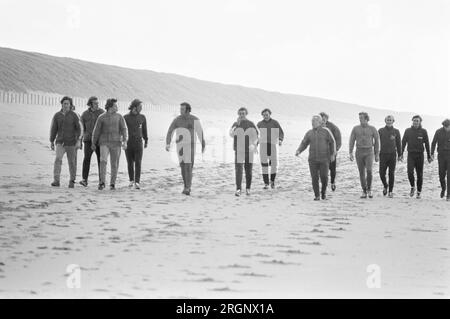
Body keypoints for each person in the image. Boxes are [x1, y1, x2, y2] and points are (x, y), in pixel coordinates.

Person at [166, 102, 205, 195]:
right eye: (180, 109)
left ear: (187, 110)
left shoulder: (195, 119)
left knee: (188, 166)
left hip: (190, 145)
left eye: (182, 109)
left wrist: (203, 144)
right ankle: (186, 186)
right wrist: (168, 143)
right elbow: (170, 131)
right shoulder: (177, 120)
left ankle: (188, 187)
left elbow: (200, 133)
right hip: (180, 146)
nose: (180, 111)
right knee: (183, 167)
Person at [295, 115, 336, 201]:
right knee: (314, 177)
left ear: (320, 122)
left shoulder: (326, 131)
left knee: (324, 177)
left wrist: (333, 154)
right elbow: (304, 143)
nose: (313, 123)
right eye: (312, 121)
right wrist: (299, 150)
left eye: (314, 121)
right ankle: (317, 195)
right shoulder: (309, 133)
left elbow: (332, 142)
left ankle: (323, 193)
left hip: (324, 159)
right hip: (312, 159)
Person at [92, 98, 128, 190]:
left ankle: (112, 183)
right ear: (110, 106)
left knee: (114, 164)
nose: (117, 107)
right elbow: (96, 131)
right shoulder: (101, 117)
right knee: (103, 161)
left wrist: (125, 140)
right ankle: (102, 182)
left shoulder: (119, 116)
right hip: (104, 142)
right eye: (115, 105)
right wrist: (93, 142)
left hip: (116, 143)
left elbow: (124, 129)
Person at [49, 96, 82, 188]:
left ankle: (72, 180)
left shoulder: (74, 115)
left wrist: (79, 140)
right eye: (64, 103)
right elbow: (53, 129)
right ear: (62, 104)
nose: (66, 105)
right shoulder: (57, 115)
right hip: (60, 142)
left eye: (68, 104)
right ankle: (56, 180)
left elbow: (80, 128)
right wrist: (51, 140)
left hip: (71, 142)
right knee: (58, 159)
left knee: (72, 162)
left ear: (70, 105)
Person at [349, 112, 380, 199]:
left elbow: (377, 141)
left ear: (366, 119)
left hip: (369, 151)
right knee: (361, 172)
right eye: (359, 118)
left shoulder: (372, 128)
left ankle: (369, 189)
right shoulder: (355, 128)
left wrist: (377, 154)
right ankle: (364, 190)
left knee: (369, 171)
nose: (360, 119)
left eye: (361, 118)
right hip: (359, 151)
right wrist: (350, 152)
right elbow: (351, 140)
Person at [401, 115, 432, 199]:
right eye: (414, 120)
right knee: (410, 172)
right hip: (411, 154)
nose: (415, 122)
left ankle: (418, 192)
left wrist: (429, 155)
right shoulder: (408, 131)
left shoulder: (423, 131)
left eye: (417, 121)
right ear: (412, 121)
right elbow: (403, 142)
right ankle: (412, 186)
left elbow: (427, 144)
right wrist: (401, 153)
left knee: (419, 174)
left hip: (420, 155)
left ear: (420, 122)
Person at [230, 107, 259, 196]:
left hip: (249, 151)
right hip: (238, 150)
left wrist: (254, 145)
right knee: (238, 170)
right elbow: (231, 134)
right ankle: (238, 189)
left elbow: (257, 137)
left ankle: (248, 189)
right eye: (240, 113)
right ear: (238, 114)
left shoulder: (250, 123)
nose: (241, 115)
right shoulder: (235, 123)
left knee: (248, 170)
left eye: (243, 113)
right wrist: (236, 126)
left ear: (246, 113)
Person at [79, 96, 105, 187]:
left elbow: (105, 126)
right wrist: (80, 140)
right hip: (88, 140)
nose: (97, 104)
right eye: (95, 103)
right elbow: (81, 128)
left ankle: (101, 181)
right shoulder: (85, 114)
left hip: (99, 140)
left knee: (100, 160)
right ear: (90, 104)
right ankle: (84, 180)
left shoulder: (102, 113)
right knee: (86, 159)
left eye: (98, 103)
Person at [257, 108, 284, 189]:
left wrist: (280, 140)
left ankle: (272, 181)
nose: (265, 116)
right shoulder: (259, 124)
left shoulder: (275, 123)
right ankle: (266, 183)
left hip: (273, 145)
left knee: (274, 164)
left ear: (270, 114)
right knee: (264, 165)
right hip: (263, 146)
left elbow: (281, 132)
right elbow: (255, 135)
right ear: (262, 115)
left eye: (267, 114)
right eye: (264, 115)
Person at [124, 99, 148, 190]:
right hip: (128, 143)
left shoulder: (142, 117)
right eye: (140, 107)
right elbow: (123, 130)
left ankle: (137, 182)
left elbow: (144, 130)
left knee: (138, 162)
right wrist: (123, 141)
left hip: (138, 143)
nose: (141, 108)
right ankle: (131, 180)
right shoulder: (125, 117)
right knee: (130, 163)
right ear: (135, 107)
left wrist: (146, 140)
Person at [378, 115, 402, 198]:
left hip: (392, 155)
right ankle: (385, 185)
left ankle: (390, 191)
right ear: (385, 121)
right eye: (387, 120)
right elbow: (377, 143)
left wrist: (400, 155)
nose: (389, 121)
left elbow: (399, 144)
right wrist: (376, 153)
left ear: (393, 121)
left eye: (390, 120)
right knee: (381, 173)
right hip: (383, 155)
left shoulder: (396, 131)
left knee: (391, 173)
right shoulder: (380, 130)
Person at [320, 112, 342, 191]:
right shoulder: (317, 127)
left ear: (326, 119)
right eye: (321, 119)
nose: (322, 121)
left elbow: (338, 138)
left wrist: (336, 149)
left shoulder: (333, 127)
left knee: (332, 168)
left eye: (323, 119)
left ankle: (332, 182)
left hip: (331, 151)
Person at [431, 119, 450, 200]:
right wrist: (431, 153)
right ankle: (443, 188)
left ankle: (448, 194)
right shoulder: (438, 131)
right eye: (445, 126)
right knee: (441, 175)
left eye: (448, 126)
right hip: (441, 155)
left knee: (449, 176)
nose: (446, 128)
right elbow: (433, 143)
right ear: (443, 125)